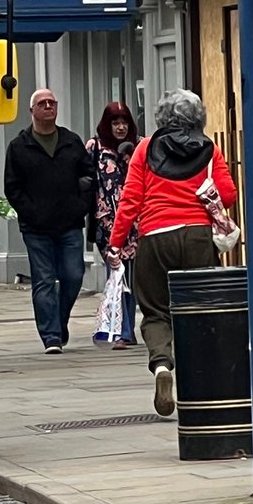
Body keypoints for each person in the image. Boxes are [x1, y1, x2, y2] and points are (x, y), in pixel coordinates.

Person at [107, 88, 236, 417]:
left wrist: (116, 243)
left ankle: (163, 367)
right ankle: (201, 381)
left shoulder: (145, 149)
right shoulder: (209, 149)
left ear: (162, 117)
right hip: (198, 237)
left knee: (156, 311)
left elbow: (131, 200)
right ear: (199, 117)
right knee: (199, 309)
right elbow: (228, 194)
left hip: (155, 237)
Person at [4, 88, 95, 354]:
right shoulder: (19, 147)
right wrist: (30, 212)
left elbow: (89, 176)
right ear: (31, 111)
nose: (48, 107)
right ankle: (51, 336)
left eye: (52, 103)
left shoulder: (70, 141)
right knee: (43, 279)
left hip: (69, 223)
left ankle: (59, 319)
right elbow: (12, 188)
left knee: (74, 275)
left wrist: (81, 206)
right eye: (42, 103)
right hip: (36, 227)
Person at [86, 102, 140, 349]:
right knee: (116, 273)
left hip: (136, 221)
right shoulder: (94, 147)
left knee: (132, 277)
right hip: (107, 222)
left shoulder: (139, 146)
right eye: (115, 123)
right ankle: (120, 331)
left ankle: (127, 330)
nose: (120, 127)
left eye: (124, 122)